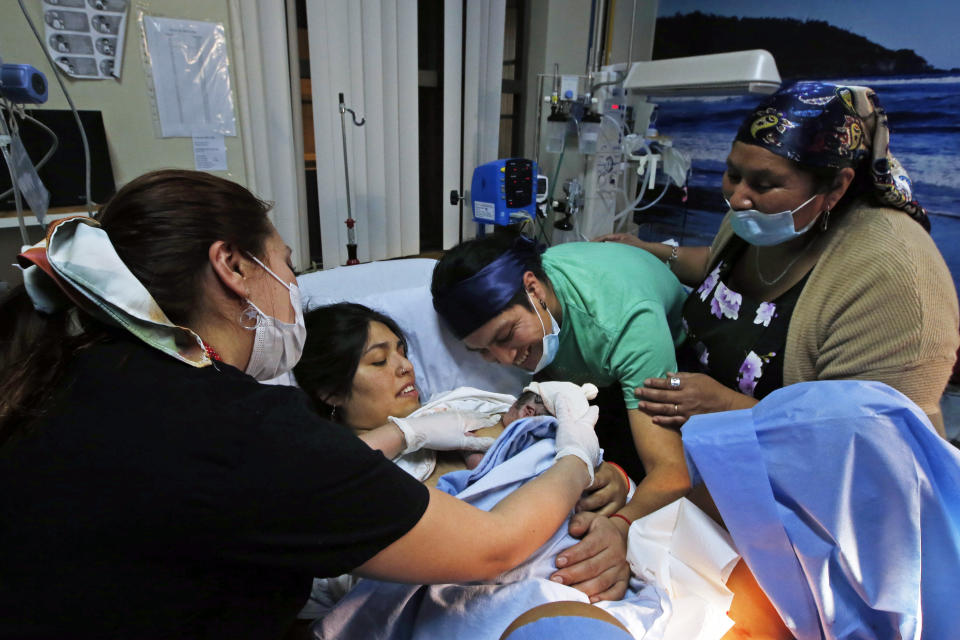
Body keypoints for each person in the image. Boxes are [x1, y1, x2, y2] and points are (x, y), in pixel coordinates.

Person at [0, 170, 602, 640]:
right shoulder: (241, 431)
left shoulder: (66, 373)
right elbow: (491, 546)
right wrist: (576, 445)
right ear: (233, 266)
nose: (296, 288)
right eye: (288, 264)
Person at [597, 81, 959, 435]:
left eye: (763, 184)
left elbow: (868, 442)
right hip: (698, 433)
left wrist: (727, 406)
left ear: (836, 186)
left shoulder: (894, 279)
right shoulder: (760, 217)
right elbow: (718, 269)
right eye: (733, 175)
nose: (738, 198)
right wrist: (652, 251)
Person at [431, 230, 690, 601]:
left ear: (534, 288)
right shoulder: (535, 313)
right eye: (483, 352)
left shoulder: (629, 325)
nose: (506, 359)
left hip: (667, 352)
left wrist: (620, 527)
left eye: (506, 335)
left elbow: (672, 471)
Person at [294, 302, 630, 499]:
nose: (405, 367)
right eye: (379, 361)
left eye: (402, 352)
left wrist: (613, 477)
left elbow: (556, 433)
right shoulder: (341, 478)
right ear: (332, 392)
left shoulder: (462, 404)